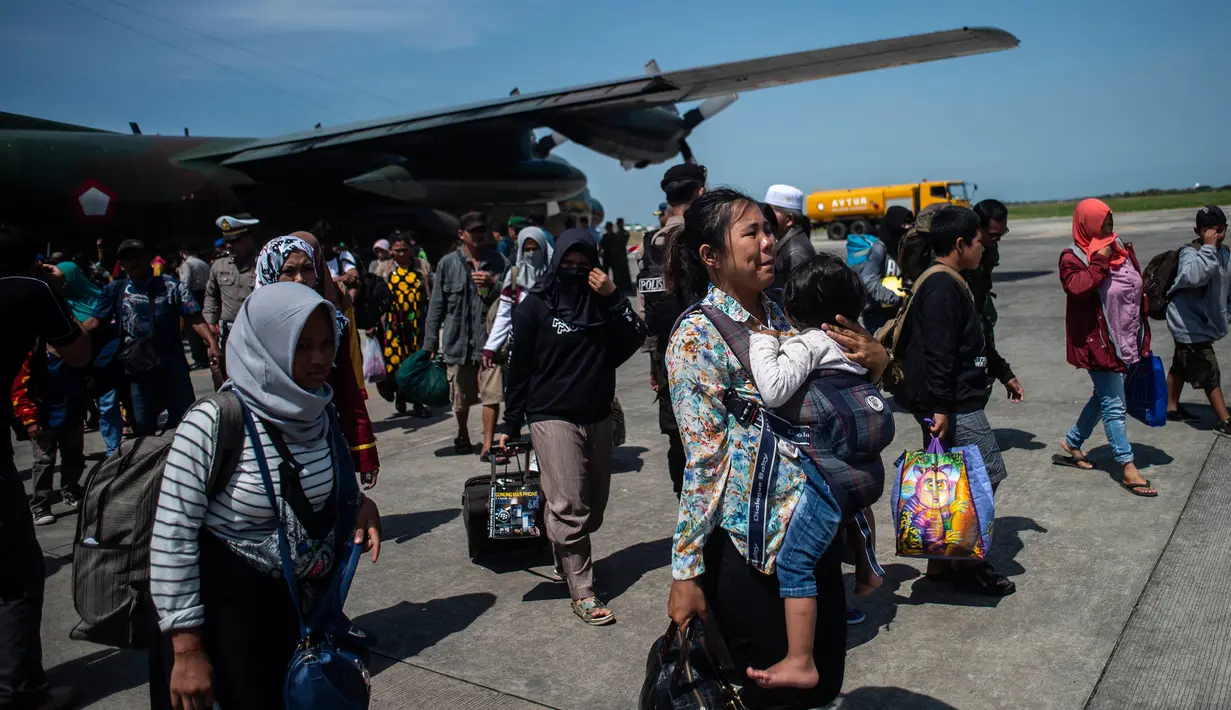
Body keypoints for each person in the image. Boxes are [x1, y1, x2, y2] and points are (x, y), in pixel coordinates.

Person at [664, 189, 887, 709]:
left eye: (769, 230)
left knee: (824, 682)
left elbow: (851, 390)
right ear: (710, 255)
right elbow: (704, 461)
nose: (769, 242)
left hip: (814, 531)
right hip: (753, 549)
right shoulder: (697, 338)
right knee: (770, 699)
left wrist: (880, 361)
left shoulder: (790, 313)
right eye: (751, 233)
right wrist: (684, 570)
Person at [146, 282, 382, 710]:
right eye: (302, 345)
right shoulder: (214, 420)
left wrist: (359, 507)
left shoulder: (320, 411)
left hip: (295, 623)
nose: (319, 359)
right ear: (265, 346)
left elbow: (328, 489)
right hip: (226, 630)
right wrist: (186, 651)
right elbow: (171, 539)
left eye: (327, 344)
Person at [743, 253, 893, 689]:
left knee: (795, 561)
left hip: (824, 472)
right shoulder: (853, 343)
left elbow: (772, 390)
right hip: (858, 471)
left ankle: (800, 660)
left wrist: (763, 341)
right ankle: (868, 568)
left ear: (792, 310)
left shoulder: (808, 343)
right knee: (850, 510)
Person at [496, 228, 646, 625]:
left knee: (592, 508)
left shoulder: (602, 306)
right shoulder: (534, 308)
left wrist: (614, 297)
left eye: (585, 265)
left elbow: (636, 336)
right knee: (572, 507)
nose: (576, 271)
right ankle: (582, 588)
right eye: (569, 264)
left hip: (596, 413)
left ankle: (560, 533)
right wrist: (509, 424)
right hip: (551, 414)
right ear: (555, 262)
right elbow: (518, 369)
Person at [899, 205, 1019, 593]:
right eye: (980, 243)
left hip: (951, 401)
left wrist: (999, 370)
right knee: (984, 478)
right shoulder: (942, 286)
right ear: (960, 244)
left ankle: (939, 564)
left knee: (951, 479)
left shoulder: (948, 280)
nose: (984, 250)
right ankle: (967, 563)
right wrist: (940, 407)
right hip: (955, 404)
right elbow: (938, 352)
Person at [1, 225, 92, 710]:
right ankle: (22, 694)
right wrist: (54, 290)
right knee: (14, 574)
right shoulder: (29, 289)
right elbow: (78, 351)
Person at [253, 235, 381, 486]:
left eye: (308, 269)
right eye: (288, 271)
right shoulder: (252, 327)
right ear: (268, 271)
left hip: (323, 437)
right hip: (267, 442)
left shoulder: (332, 324)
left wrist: (365, 452)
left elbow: (346, 390)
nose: (300, 279)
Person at [1058, 199, 1157, 496]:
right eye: (1102, 226)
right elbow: (1078, 288)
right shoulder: (1073, 257)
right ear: (1086, 226)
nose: (1108, 232)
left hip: (1125, 339)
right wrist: (1099, 259)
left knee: (1104, 396)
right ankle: (1128, 467)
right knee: (1115, 404)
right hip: (1097, 343)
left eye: (1110, 225)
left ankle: (1072, 441)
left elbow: (1135, 289)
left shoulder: (1121, 251)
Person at [86, 240, 220, 437]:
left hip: (172, 366)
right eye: (127, 259)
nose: (134, 262)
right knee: (143, 427)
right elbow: (95, 323)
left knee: (186, 421)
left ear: (147, 259)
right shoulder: (115, 290)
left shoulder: (171, 286)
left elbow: (194, 317)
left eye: (138, 256)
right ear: (121, 265)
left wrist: (212, 344)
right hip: (138, 370)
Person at [640, 163, 706, 496]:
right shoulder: (700, 238)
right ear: (700, 192)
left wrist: (654, 366)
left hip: (667, 366)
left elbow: (648, 312)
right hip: (705, 365)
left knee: (677, 444)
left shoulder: (650, 243)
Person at [423, 211, 508, 456]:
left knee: (491, 394)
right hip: (456, 343)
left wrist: (494, 284)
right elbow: (436, 305)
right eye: (474, 231)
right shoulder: (447, 264)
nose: (480, 235)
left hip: (490, 343)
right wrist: (430, 343)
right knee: (460, 398)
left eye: (483, 230)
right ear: (462, 235)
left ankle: (487, 443)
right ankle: (462, 433)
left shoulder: (499, 262)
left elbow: (513, 297)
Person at [1165, 205, 1231, 433]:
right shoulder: (1190, 253)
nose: (1216, 235)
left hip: (1204, 322)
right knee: (1208, 368)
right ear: (1198, 231)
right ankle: (1224, 421)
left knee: (1180, 364)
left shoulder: (1225, 253)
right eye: (1210, 230)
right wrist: (1209, 249)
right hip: (1186, 323)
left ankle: (1170, 407)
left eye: (1221, 229)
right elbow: (1194, 276)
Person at [12, 344, 87, 526]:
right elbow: (19, 391)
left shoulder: (74, 353)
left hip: (72, 414)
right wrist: (30, 420)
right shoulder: (33, 357)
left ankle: (71, 490)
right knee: (44, 463)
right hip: (44, 420)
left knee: (74, 456)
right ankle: (40, 505)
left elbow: (84, 380)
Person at [969, 199, 1024, 402]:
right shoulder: (960, 262)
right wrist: (1005, 373)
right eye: (993, 235)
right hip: (967, 331)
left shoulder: (989, 249)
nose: (997, 240)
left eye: (1002, 234)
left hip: (981, 318)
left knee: (984, 376)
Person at [482, 227, 552, 368]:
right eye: (527, 250)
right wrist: (490, 347)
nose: (531, 254)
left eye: (535, 249)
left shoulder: (553, 277)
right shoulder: (515, 277)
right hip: (520, 348)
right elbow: (504, 314)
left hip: (549, 349)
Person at [205, 215, 259, 390]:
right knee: (229, 381)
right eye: (226, 241)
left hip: (255, 334)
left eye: (234, 241)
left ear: (248, 239)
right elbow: (211, 295)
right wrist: (210, 324)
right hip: (228, 334)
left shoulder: (261, 264)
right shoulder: (219, 266)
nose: (228, 246)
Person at [380, 232, 430, 417]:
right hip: (394, 327)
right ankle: (400, 394)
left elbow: (428, 294)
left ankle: (418, 402)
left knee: (417, 365)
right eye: (396, 250)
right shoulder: (384, 269)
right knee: (396, 365)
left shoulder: (421, 267)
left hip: (417, 325)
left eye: (404, 250)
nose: (400, 254)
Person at [854, 205, 910, 333]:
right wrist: (896, 299)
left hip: (897, 311)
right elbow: (868, 281)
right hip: (877, 313)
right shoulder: (879, 249)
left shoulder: (903, 247)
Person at [764, 184, 817, 290]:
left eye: (771, 211)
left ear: (789, 219)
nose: (766, 216)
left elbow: (801, 296)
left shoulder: (797, 253)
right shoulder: (787, 243)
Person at [178, 248, 213, 370]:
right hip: (204, 294)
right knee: (205, 325)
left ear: (183, 253)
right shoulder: (202, 263)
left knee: (192, 329)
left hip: (192, 296)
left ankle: (199, 358)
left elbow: (185, 283)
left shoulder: (187, 264)